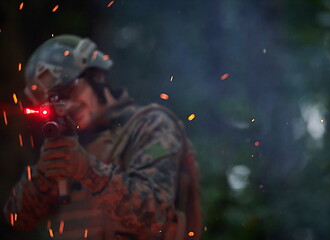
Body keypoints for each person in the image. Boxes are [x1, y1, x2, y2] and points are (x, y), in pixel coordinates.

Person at [4, 35, 201, 240]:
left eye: (70, 91)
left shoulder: (150, 125)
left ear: (96, 76)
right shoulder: (68, 144)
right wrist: (44, 175)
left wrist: (88, 171)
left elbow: (154, 217)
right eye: (55, 101)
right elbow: (18, 218)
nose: (67, 106)